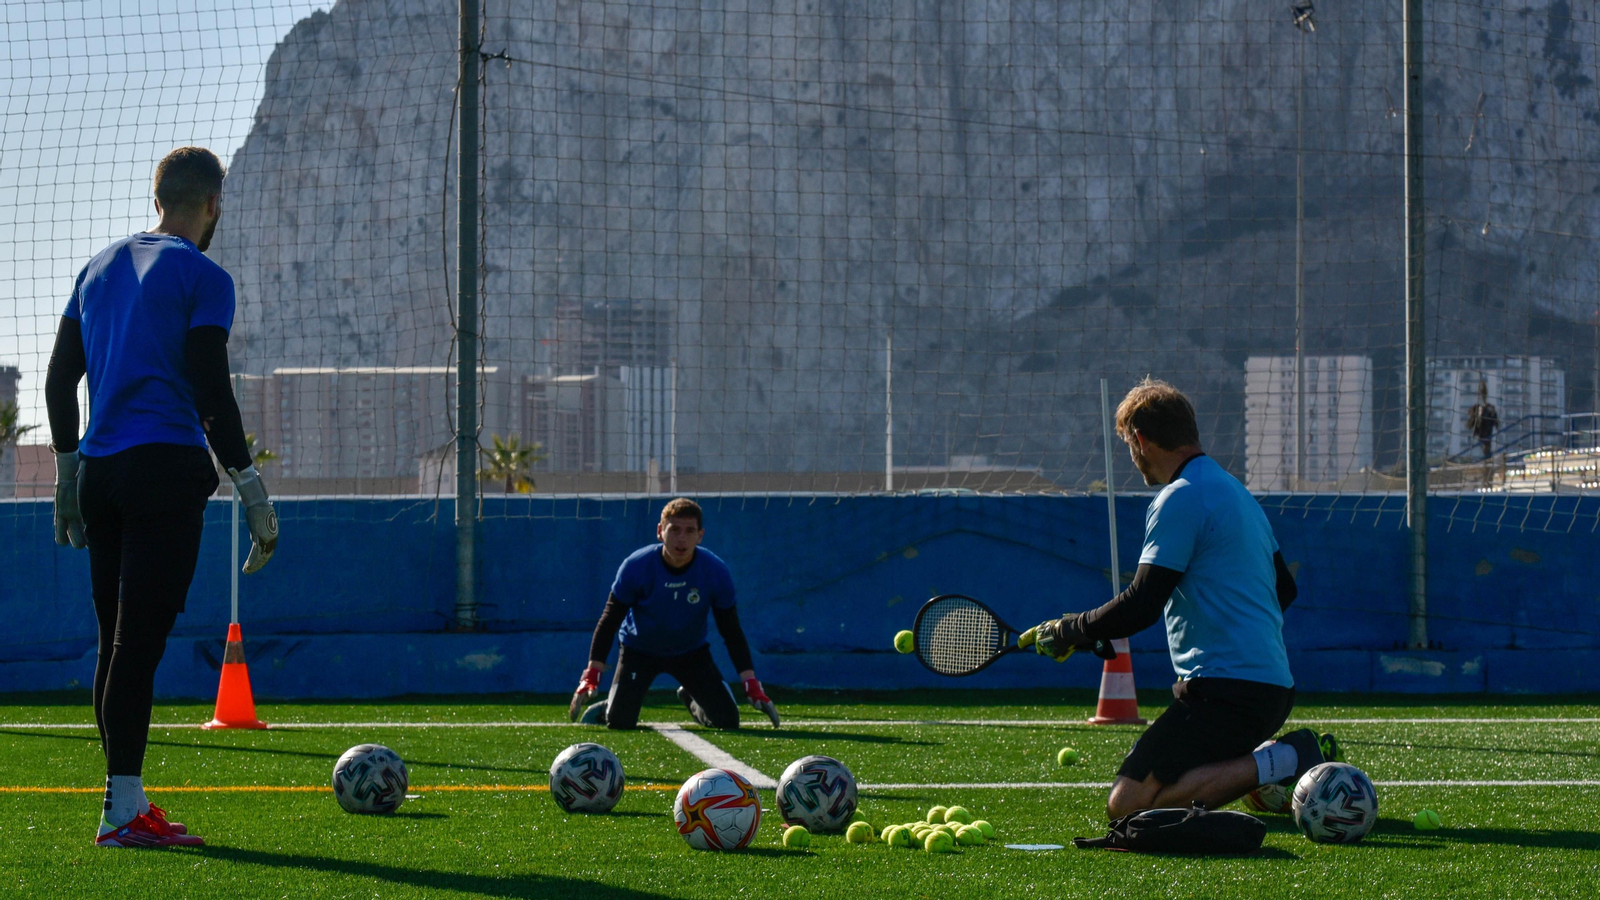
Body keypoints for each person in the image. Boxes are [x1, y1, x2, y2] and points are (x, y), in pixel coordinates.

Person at [44, 147, 279, 848]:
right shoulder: (204, 275)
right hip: (165, 471)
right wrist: (250, 486)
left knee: (114, 646)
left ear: (158, 199)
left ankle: (124, 799)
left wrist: (65, 478)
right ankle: (120, 814)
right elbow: (210, 387)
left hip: (101, 475)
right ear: (212, 205)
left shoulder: (97, 267)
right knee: (138, 644)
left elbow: (59, 383)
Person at [1030, 378, 1336, 819]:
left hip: (1224, 694)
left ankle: (1288, 756)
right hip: (1270, 689)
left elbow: (1142, 604)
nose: (1133, 459)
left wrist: (1069, 629)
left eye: (1129, 446)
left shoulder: (1179, 497)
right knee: (1156, 791)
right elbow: (1284, 589)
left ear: (1140, 439)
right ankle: (1271, 760)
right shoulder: (1235, 491)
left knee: (1127, 807)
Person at [569, 498, 778, 730]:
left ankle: (691, 699)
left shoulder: (715, 571)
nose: (682, 538)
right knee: (620, 721)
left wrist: (751, 683)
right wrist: (591, 675)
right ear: (660, 531)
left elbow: (731, 630)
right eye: (674, 529)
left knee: (727, 720)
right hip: (639, 650)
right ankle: (612, 707)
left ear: (700, 535)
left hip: (690, 652)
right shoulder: (636, 566)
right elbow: (610, 620)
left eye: (690, 531)